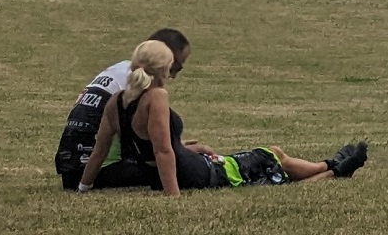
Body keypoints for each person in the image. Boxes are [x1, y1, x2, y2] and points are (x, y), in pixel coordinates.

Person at [73, 38, 368, 193]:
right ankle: (333, 170)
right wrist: (173, 196)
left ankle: (333, 165)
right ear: (164, 70)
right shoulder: (157, 97)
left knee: (271, 160)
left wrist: (84, 187)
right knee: (270, 159)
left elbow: (99, 152)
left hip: (189, 164)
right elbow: (163, 152)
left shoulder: (115, 102)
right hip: (197, 173)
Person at [57, 27, 190, 190]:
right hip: (97, 170)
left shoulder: (120, 70)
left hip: (71, 168)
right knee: (183, 168)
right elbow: (153, 149)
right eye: (175, 67)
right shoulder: (141, 86)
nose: (173, 75)